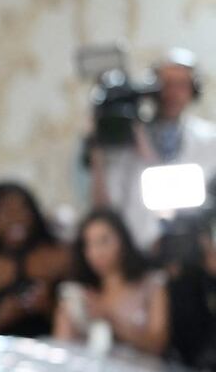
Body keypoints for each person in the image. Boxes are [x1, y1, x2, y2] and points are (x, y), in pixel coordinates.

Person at [89, 48, 216, 252]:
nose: (172, 93)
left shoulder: (209, 140)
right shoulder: (128, 140)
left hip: (194, 247)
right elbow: (107, 205)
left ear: (194, 90)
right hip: (140, 248)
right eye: (165, 84)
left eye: (181, 85)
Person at [54, 210, 169, 359]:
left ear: (123, 240)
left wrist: (110, 319)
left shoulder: (152, 285)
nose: (96, 252)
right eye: (89, 244)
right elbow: (63, 350)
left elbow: (157, 345)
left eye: (103, 241)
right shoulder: (80, 294)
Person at [0, 182, 70, 339]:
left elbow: (82, 322)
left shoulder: (58, 255)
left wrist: (47, 306)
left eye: (22, 209)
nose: (15, 217)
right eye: (5, 212)